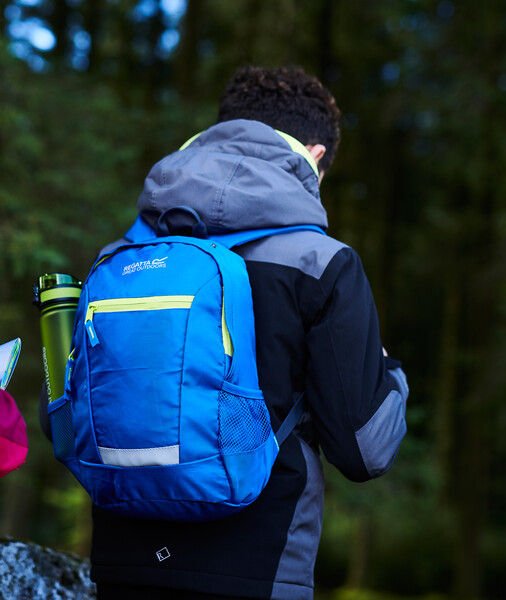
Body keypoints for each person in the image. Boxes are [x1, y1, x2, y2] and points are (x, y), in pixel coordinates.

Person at [88, 65, 409, 599]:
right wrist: (390, 374)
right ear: (315, 156)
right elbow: (364, 452)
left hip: (124, 563)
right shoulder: (321, 262)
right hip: (260, 568)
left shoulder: (121, 258)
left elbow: (71, 418)